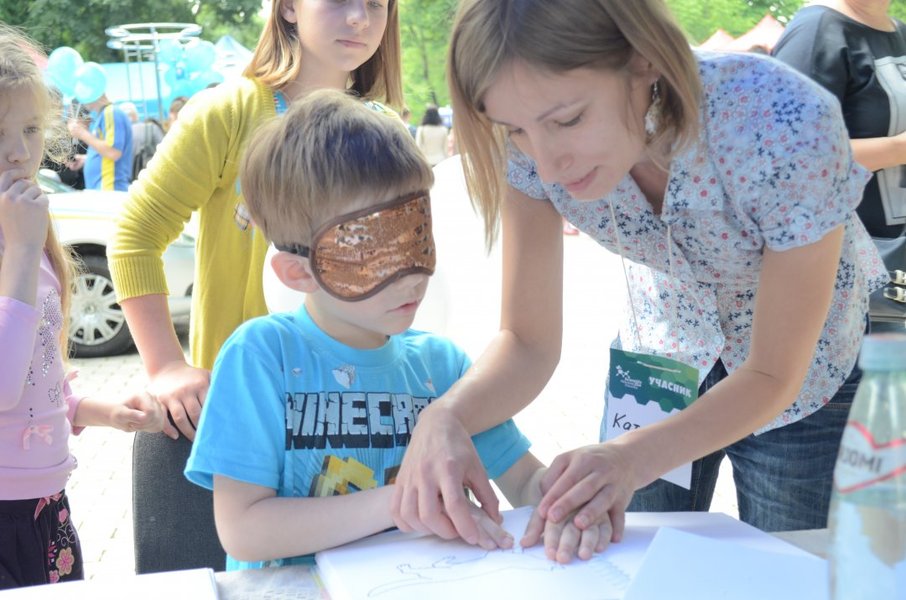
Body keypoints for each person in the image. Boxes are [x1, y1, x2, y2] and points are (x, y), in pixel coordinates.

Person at [389, 0, 889, 562]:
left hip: (806, 376)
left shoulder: (782, 119)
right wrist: (447, 416)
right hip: (662, 352)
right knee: (625, 561)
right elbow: (527, 342)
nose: (547, 167)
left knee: (785, 566)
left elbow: (774, 373)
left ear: (643, 60)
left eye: (568, 120)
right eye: (516, 131)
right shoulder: (528, 150)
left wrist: (630, 458)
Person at [184, 90, 609, 569]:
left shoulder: (443, 369)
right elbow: (243, 530)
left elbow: (525, 482)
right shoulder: (261, 358)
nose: (410, 276)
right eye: (371, 251)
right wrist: (402, 502)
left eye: (415, 236)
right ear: (299, 272)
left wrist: (569, 502)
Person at [108, 0, 405, 574]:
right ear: (288, 7)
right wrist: (166, 366)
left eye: (377, 3)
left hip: (363, 420)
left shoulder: (387, 129)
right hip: (244, 428)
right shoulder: (227, 112)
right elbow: (135, 235)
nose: (360, 18)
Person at [0, 25, 165, 589]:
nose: (18, 151)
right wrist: (22, 251)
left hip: (46, 502)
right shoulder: (22, 243)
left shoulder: (28, 237)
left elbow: (38, 374)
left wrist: (101, 410)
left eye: (29, 129)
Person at [772, 0, 906, 321]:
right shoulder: (816, 30)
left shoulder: (898, 31)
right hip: (849, 276)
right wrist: (897, 149)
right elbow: (785, 156)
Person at [66, 90, 133, 192]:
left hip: (109, 187)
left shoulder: (111, 112)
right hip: (104, 187)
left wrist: (82, 133)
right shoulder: (105, 114)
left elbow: (113, 152)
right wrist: (86, 159)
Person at [119, 102, 164, 182]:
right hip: (154, 178)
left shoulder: (119, 137)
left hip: (129, 183)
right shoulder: (152, 128)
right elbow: (165, 151)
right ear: (136, 116)